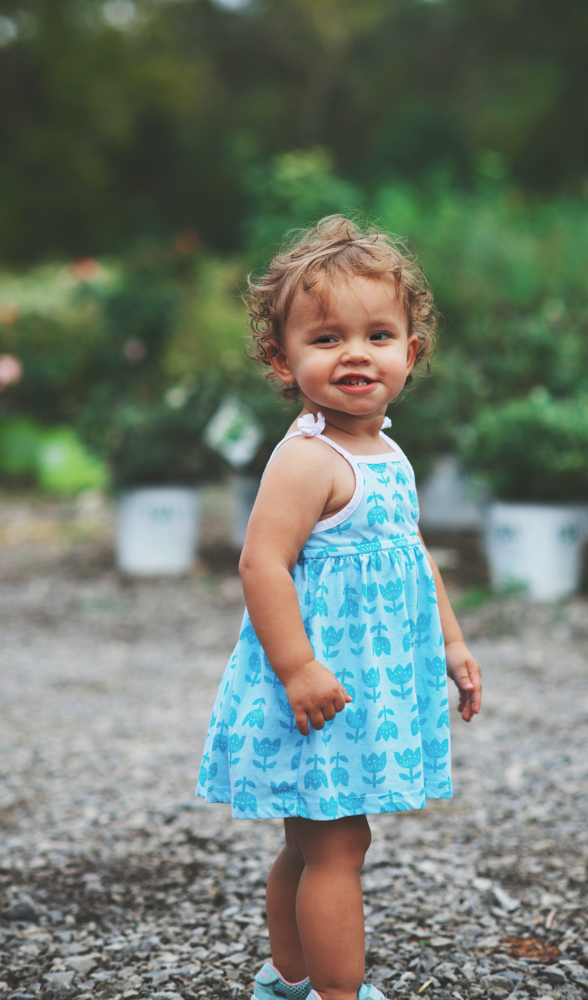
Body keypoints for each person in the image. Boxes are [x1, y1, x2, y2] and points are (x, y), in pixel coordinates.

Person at [196, 216, 482, 1000]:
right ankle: (333, 994)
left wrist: (450, 645)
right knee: (337, 845)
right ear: (281, 360)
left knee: (316, 837)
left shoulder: (384, 450)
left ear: (409, 354)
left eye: (378, 334)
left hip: (362, 686)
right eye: (325, 338)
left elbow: (412, 553)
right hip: (320, 688)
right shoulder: (306, 459)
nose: (355, 353)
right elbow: (261, 563)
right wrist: (297, 669)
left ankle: (287, 979)